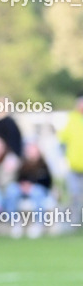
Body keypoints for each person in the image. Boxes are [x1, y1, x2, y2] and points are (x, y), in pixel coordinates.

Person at [4, 142, 53, 239]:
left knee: (37, 192)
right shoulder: (23, 164)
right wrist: (23, 185)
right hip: (22, 189)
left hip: (38, 189)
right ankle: (15, 223)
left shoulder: (43, 165)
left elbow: (47, 181)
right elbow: (18, 178)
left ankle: (38, 224)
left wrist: (32, 186)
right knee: (11, 190)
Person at [60, 93, 83, 228]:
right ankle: (75, 223)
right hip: (74, 166)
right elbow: (62, 141)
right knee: (74, 195)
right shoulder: (70, 119)